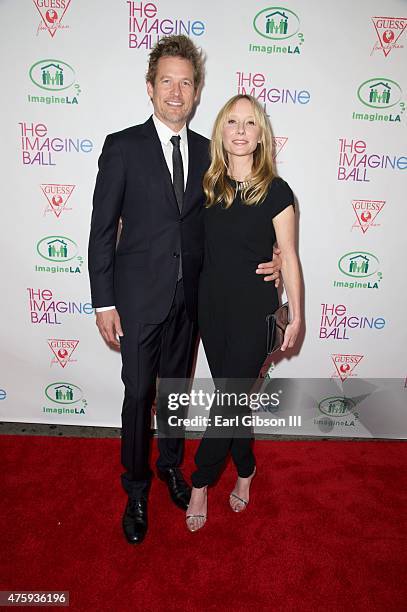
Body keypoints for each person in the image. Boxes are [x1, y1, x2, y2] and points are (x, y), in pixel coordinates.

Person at [88, 36, 281, 545]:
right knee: (137, 394)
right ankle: (135, 488)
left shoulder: (209, 155)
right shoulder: (122, 146)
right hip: (136, 301)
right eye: (167, 82)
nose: (177, 92)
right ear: (150, 88)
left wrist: (279, 254)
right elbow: (101, 231)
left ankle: (171, 467)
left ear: (197, 94)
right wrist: (104, 300)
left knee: (173, 395)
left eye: (186, 83)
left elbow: (242, 215)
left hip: (192, 302)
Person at [186, 94, 302, 532]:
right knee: (232, 402)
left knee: (229, 400)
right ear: (221, 130)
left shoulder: (276, 190)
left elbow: (288, 256)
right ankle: (247, 468)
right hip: (211, 307)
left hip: (256, 310)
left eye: (249, 123)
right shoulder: (205, 183)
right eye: (232, 121)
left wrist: (298, 316)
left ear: (260, 135)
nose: (239, 130)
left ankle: (200, 481)